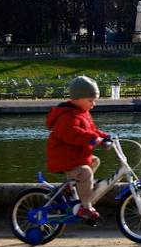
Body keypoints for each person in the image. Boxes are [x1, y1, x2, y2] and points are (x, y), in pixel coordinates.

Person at [45, 76, 110, 221]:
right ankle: (85, 207)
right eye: (90, 100)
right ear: (77, 99)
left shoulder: (82, 113)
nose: (93, 104)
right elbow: (72, 134)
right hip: (63, 158)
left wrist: (105, 136)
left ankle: (71, 186)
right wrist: (93, 139)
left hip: (74, 156)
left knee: (94, 161)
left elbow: (92, 130)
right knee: (85, 172)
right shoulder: (67, 116)